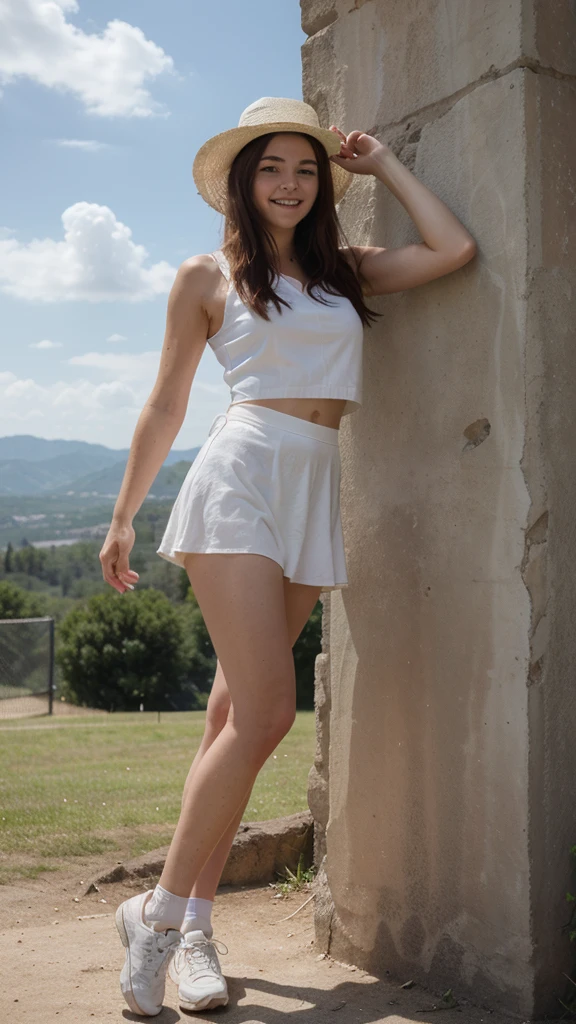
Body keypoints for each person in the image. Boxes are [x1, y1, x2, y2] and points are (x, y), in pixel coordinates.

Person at [99, 96, 476, 1016]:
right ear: (242, 179)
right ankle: (158, 930)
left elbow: (451, 250)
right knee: (267, 714)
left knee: (234, 714)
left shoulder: (344, 273)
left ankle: (186, 918)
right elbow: (165, 405)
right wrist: (121, 517)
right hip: (240, 475)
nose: (290, 184)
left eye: (306, 170)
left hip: (313, 485)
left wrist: (381, 166)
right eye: (271, 168)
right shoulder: (206, 274)